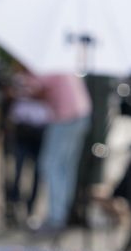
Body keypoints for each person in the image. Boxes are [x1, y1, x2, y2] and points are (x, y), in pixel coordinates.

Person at [36, 72, 92, 232]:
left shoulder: (48, 66)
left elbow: (37, 90)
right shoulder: (64, 63)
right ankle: (64, 212)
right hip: (81, 114)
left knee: (51, 165)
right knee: (66, 167)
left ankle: (56, 216)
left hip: (66, 117)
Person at [5, 68, 50, 225]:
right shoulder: (18, 77)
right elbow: (10, 95)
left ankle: (31, 209)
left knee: (37, 172)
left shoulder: (47, 77)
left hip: (39, 130)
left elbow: (46, 95)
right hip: (21, 129)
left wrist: (31, 93)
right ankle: (13, 205)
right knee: (17, 169)